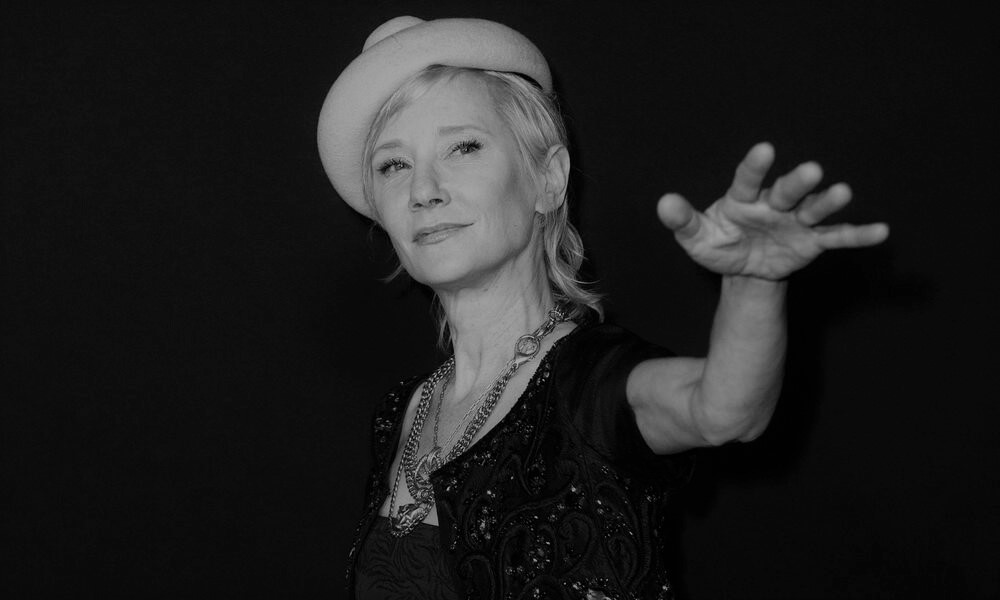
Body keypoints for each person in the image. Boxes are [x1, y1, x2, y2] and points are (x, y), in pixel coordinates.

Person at [316, 16, 889, 600]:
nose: (423, 190)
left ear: (548, 178)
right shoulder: (404, 412)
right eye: (394, 165)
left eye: (462, 147)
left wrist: (752, 285)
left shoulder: (590, 383)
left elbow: (722, 409)